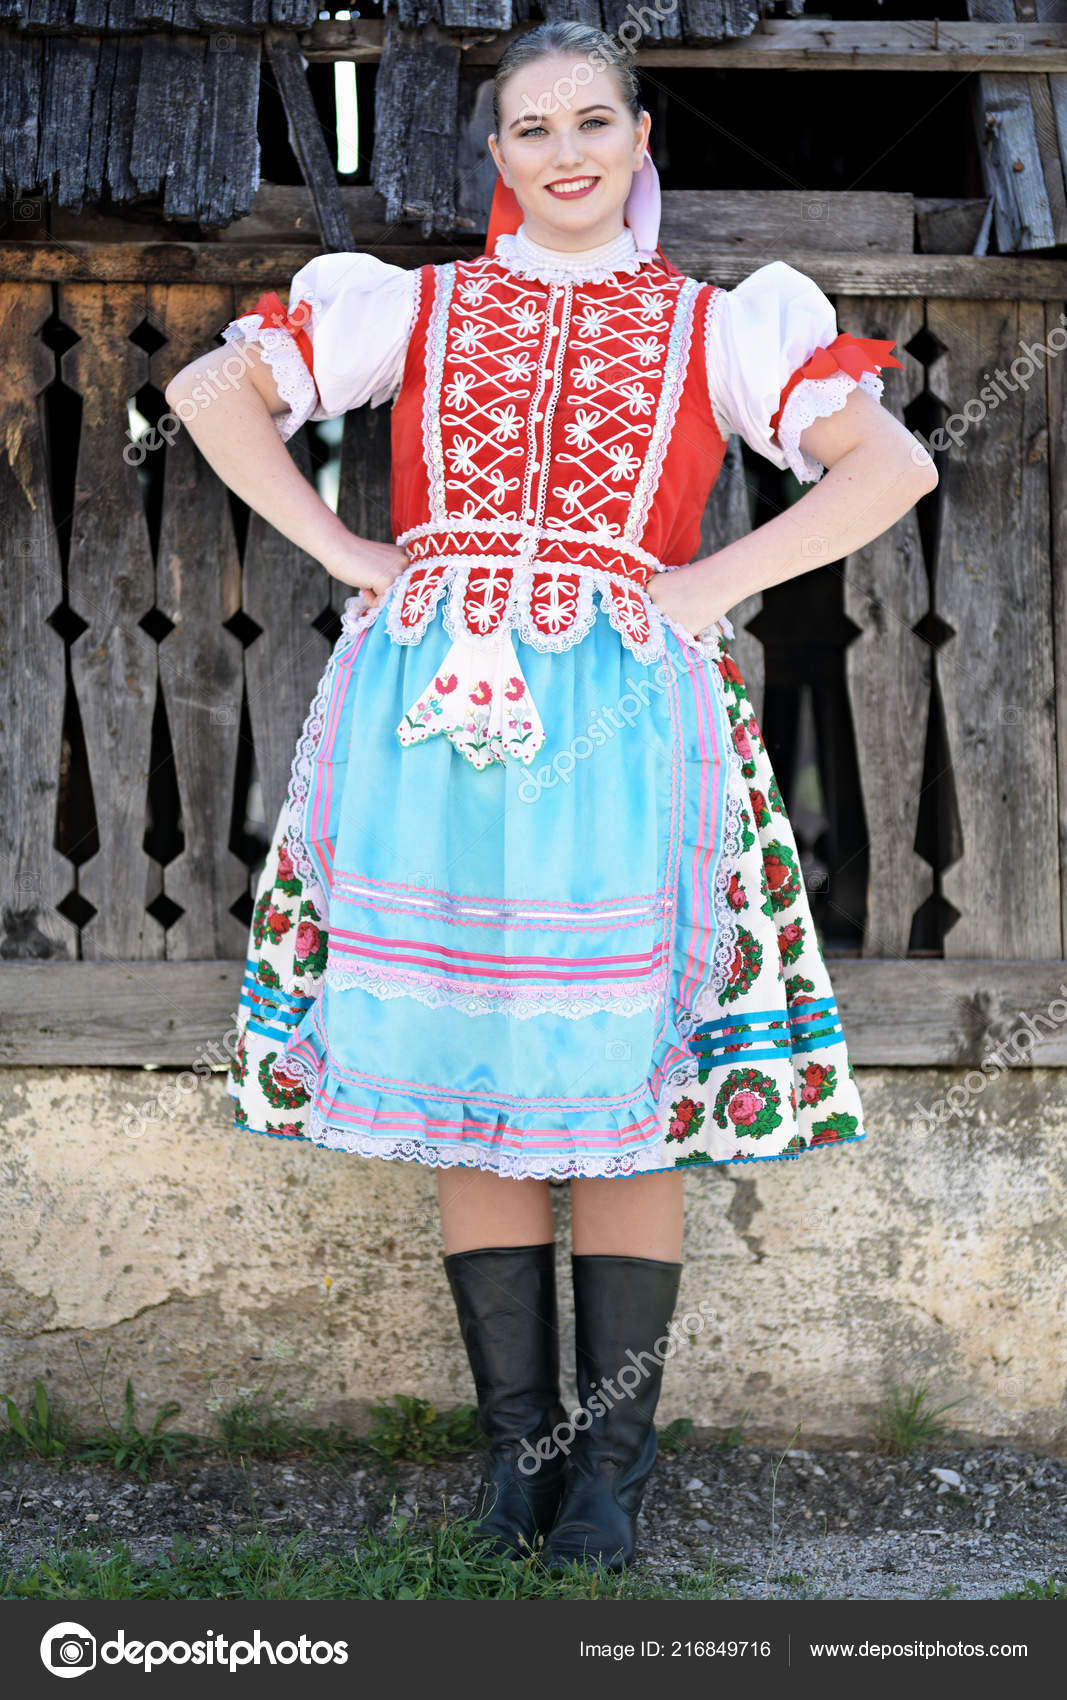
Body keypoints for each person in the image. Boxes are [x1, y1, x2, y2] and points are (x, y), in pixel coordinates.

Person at [163, 20, 936, 1573]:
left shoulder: (720, 325)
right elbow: (209, 394)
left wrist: (703, 584)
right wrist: (353, 557)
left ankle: (609, 1480)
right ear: (497, 156)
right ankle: (516, 1457)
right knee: (472, 1065)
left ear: (641, 141)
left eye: (596, 121)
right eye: (533, 129)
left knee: (622, 1089)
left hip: (628, 726)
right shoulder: (414, 309)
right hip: (430, 723)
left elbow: (890, 468)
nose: (567, 151)